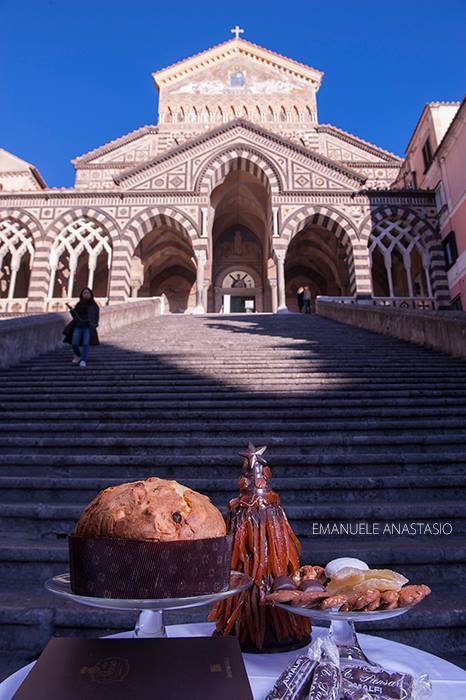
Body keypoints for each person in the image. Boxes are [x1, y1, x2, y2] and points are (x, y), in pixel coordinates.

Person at [63, 288, 100, 368]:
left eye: (87, 293)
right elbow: (75, 317)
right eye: (84, 293)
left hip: (88, 327)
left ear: (90, 295)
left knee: (85, 344)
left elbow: (96, 315)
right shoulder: (79, 304)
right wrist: (72, 310)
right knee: (74, 343)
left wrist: (95, 324)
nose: (86, 294)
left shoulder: (93, 305)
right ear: (82, 294)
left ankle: (83, 360)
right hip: (78, 326)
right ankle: (79, 355)